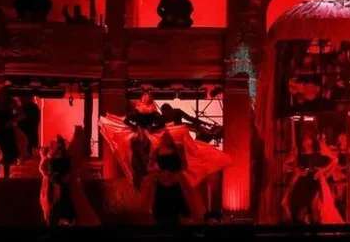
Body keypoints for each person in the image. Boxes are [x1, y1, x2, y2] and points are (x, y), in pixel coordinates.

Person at [100, 95, 232, 193]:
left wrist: (141, 127)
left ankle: (146, 179)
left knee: (150, 151)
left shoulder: (146, 113)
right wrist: (147, 128)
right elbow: (157, 123)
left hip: (148, 135)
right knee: (144, 152)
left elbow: (154, 122)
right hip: (147, 135)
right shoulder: (150, 113)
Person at [141, 131, 205, 225]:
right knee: (161, 208)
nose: (166, 138)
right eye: (164, 136)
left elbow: (184, 165)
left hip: (176, 180)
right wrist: (157, 172)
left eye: (168, 136)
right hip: (161, 181)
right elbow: (149, 167)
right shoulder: (157, 151)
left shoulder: (178, 149)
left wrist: (177, 174)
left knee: (178, 205)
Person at [38, 128, 99, 226]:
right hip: (55, 188)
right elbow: (43, 169)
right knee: (57, 208)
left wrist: (67, 177)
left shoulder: (66, 158)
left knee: (65, 207)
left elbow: (74, 170)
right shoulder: (52, 158)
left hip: (63, 188)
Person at [282, 130, 341, 224]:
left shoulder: (320, 148)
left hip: (314, 181)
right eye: (303, 139)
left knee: (314, 209)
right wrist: (296, 170)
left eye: (307, 139)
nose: (305, 142)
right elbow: (285, 166)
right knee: (301, 211)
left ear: (312, 140)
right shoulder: (297, 150)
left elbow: (335, 160)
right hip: (302, 183)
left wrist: (323, 170)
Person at [17, 93, 41, 159]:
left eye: (21, 97)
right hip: (30, 139)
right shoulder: (32, 107)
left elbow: (19, 118)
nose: (19, 99)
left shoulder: (30, 107)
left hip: (28, 139)